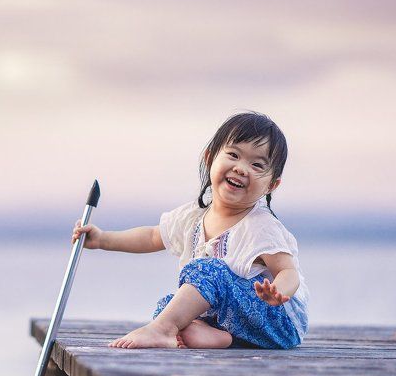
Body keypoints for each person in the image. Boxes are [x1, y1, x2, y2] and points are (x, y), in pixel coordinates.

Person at [72, 111, 308, 350]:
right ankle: (220, 338)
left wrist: (277, 292)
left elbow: (289, 271)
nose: (240, 168)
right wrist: (103, 239)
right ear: (210, 158)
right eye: (233, 155)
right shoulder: (193, 216)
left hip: (276, 320)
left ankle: (161, 330)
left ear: (272, 185)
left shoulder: (261, 226)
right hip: (237, 322)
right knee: (169, 305)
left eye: (256, 164)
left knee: (208, 272)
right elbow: (153, 236)